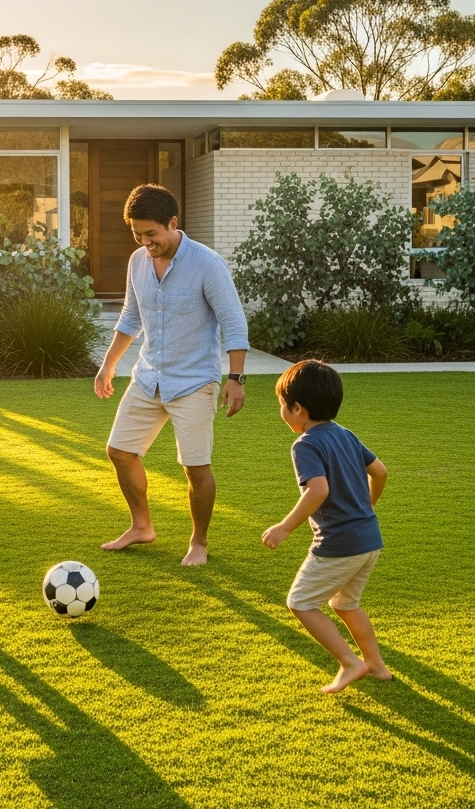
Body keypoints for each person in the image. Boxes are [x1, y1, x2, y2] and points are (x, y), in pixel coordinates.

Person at [94, 182, 249, 566]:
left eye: (152, 234)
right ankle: (142, 526)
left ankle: (198, 543)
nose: (146, 242)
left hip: (195, 381)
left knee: (195, 467)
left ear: (173, 223)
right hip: (148, 376)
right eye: (137, 234)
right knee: (119, 451)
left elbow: (233, 321)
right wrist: (109, 363)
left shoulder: (207, 264)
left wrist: (236, 378)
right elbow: (131, 316)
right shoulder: (137, 261)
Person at [262, 359, 393, 694]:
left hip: (339, 543)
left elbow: (318, 490)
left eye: (282, 405)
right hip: (369, 539)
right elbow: (380, 472)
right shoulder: (346, 434)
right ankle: (376, 665)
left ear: (298, 408)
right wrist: (368, 506)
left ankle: (351, 663)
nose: (281, 411)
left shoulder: (305, 444)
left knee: (300, 602)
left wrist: (285, 527)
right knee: (345, 603)